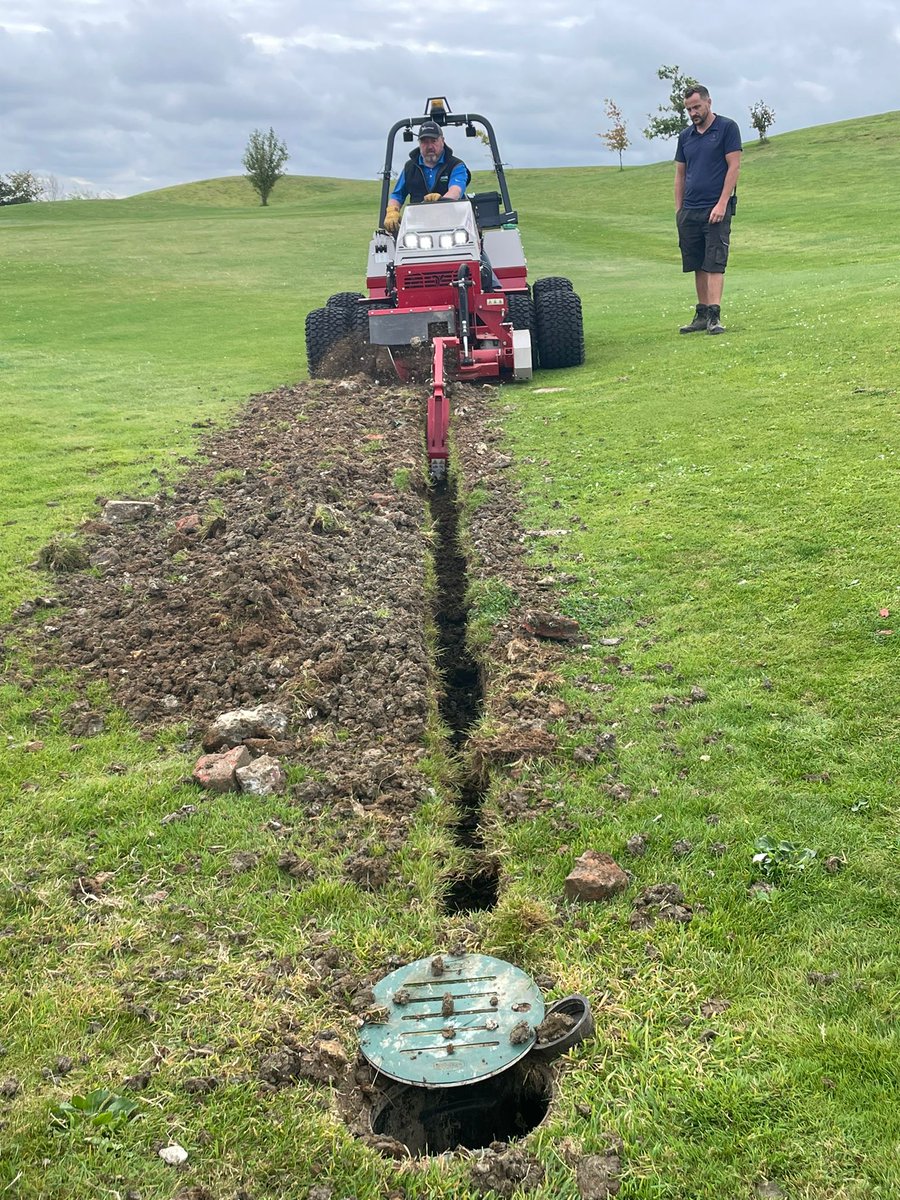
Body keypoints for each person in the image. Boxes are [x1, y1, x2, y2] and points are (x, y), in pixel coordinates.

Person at [674, 85, 742, 335]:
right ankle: (701, 314)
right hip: (690, 210)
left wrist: (722, 203)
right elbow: (680, 174)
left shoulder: (726, 128)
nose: (693, 113)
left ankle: (715, 316)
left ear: (708, 102)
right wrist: (679, 210)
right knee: (698, 263)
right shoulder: (685, 137)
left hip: (716, 207)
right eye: (689, 109)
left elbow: (734, 167)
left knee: (714, 262)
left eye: (696, 107)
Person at [383, 121, 470, 235]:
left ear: (442, 141)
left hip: (454, 226)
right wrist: (392, 211)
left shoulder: (456, 166)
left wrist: (440, 201)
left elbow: (455, 191)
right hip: (417, 228)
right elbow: (397, 195)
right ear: (419, 143)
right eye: (425, 142)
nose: (429, 146)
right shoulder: (410, 168)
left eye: (433, 141)